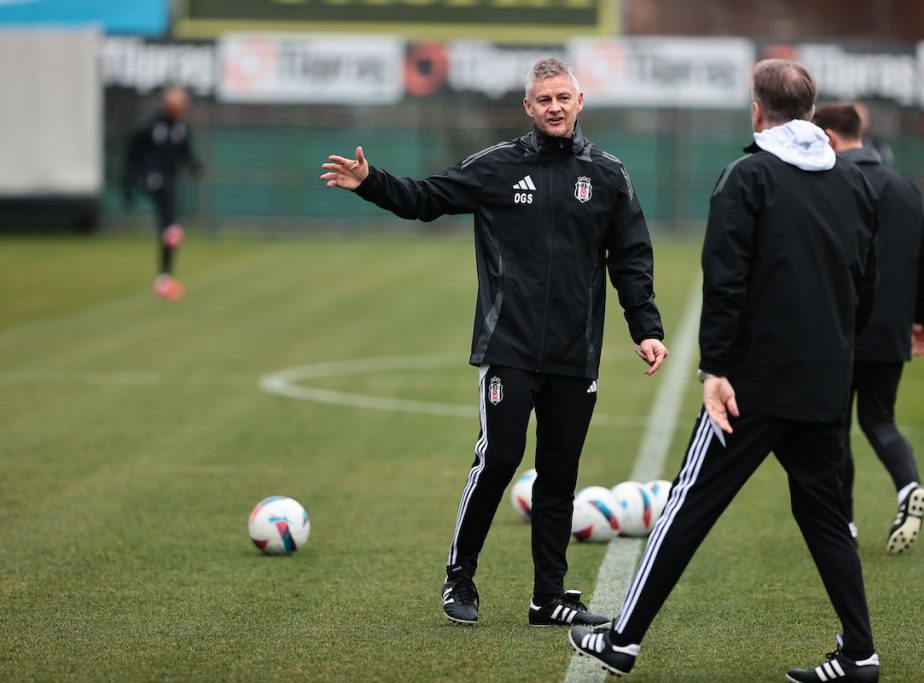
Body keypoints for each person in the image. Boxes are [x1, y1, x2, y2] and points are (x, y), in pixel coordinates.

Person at [319, 57, 668, 628]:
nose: (555, 106)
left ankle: (548, 597)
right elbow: (425, 198)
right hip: (508, 346)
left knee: (560, 472)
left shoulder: (608, 174)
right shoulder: (496, 167)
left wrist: (647, 328)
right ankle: (460, 578)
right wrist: (371, 183)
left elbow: (630, 258)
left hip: (574, 353)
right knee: (499, 459)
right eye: (544, 99)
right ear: (528, 108)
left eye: (564, 97)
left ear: (579, 102)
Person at [569, 59, 882, 682]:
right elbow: (863, 285)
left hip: (752, 384)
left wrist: (715, 368)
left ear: (756, 110)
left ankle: (623, 641)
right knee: (825, 515)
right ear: (813, 113)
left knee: (688, 503)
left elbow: (726, 279)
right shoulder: (854, 182)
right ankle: (861, 654)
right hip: (825, 380)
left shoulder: (748, 175)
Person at [814, 103, 924, 554]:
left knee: (835, 426)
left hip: (840, 327)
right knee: (879, 418)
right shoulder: (905, 186)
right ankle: (908, 486)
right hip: (891, 328)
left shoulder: (830, 181)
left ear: (828, 136)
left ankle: (844, 523)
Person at [122, 87, 203, 301]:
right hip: (152, 178)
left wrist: (195, 166)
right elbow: (132, 153)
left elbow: (185, 154)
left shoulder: (181, 129)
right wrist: (129, 183)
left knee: (168, 227)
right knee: (169, 214)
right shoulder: (150, 125)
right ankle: (172, 230)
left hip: (169, 179)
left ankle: (164, 278)